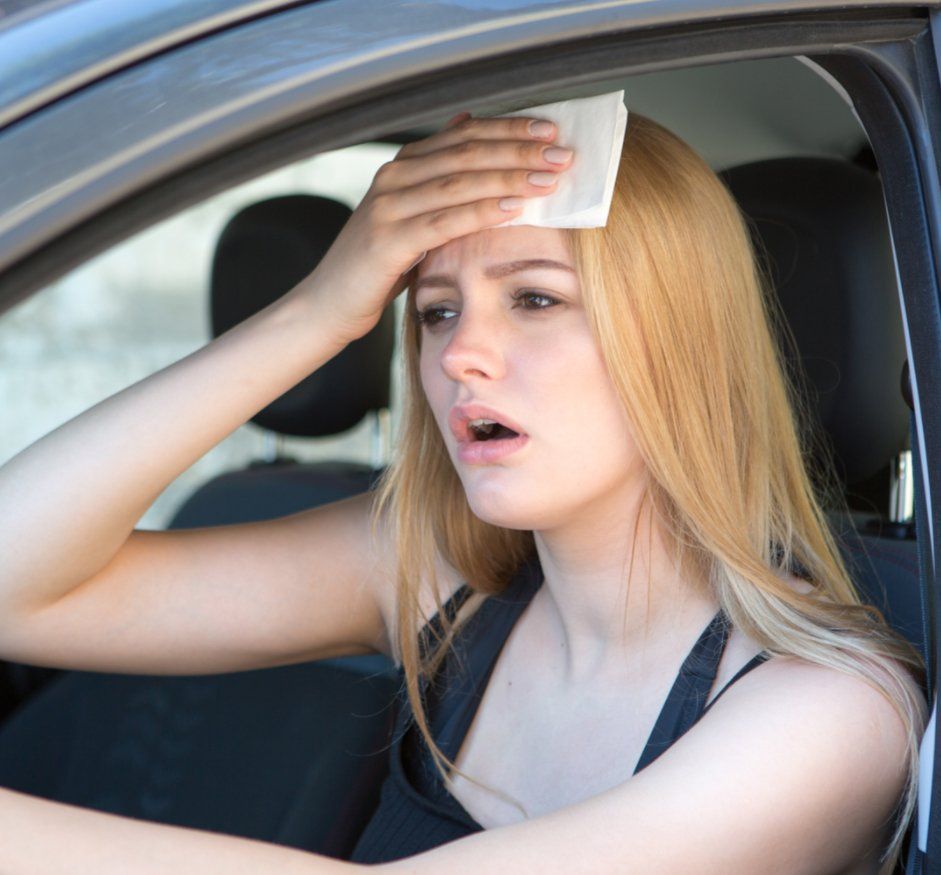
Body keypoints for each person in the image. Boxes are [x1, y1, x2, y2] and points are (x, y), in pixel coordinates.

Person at [0, 105, 927, 875]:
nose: (456, 354)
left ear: (682, 337)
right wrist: (320, 310)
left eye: (533, 298)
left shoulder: (834, 712)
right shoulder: (438, 576)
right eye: (436, 310)